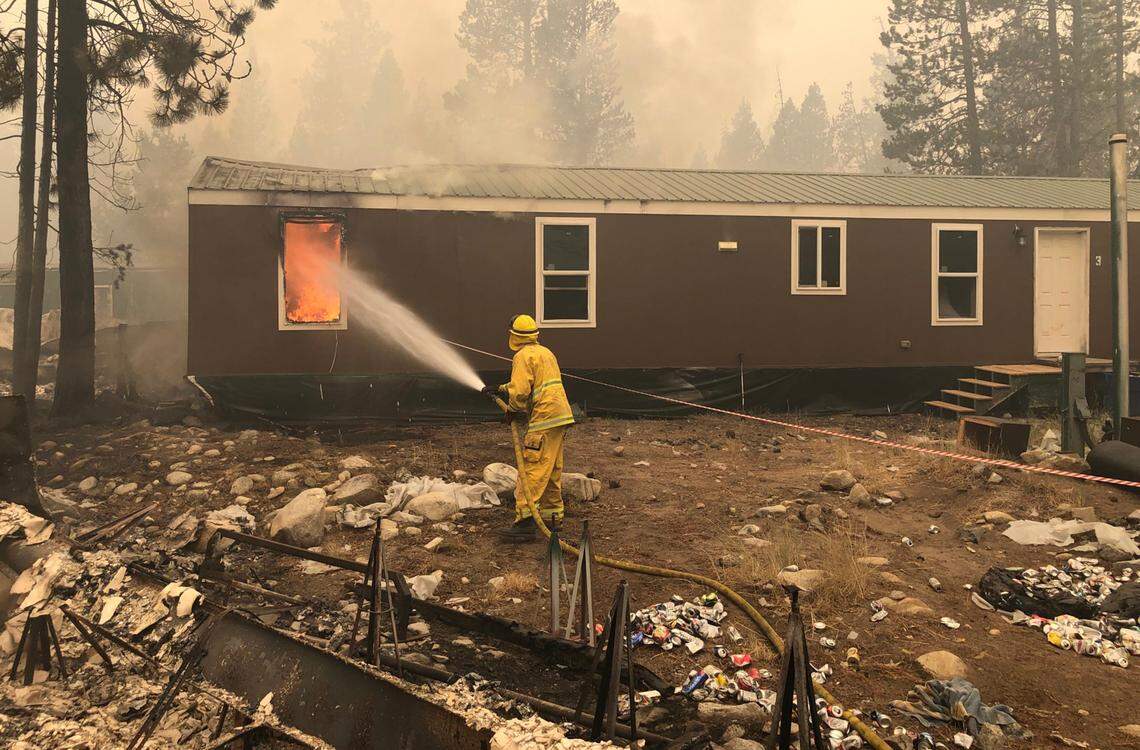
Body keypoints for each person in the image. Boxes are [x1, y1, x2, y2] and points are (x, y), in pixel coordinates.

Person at [482, 314, 575, 542]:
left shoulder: (522, 356)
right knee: (550, 468)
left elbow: (522, 391)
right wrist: (502, 389)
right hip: (559, 416)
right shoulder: (546, 352)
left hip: (543, 418)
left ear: (513, 335)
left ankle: (524, 522)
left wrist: (512, 408)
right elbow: (530, 383)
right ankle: (552, 517)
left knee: (532, 469)